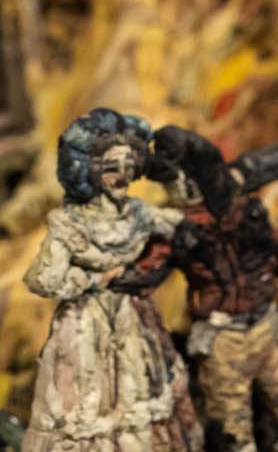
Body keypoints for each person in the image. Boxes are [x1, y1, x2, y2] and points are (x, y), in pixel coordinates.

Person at [24, 108, 201, 452]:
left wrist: (155, 265)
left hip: (134, 319)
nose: (121, 177)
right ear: (89, 171)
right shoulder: (72, 222)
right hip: (85, 326)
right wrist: (96, 278)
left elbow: (182, 227)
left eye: (128, 166)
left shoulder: (138, 214)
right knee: (86, 412)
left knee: (140, 402)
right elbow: (42, 279)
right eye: (110, 168)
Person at [113, 125, 278, 452]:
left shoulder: (240, 207)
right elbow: (146, 272)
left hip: (267, 325)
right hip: (222, 340)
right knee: (233, 433)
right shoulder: (177, 227)